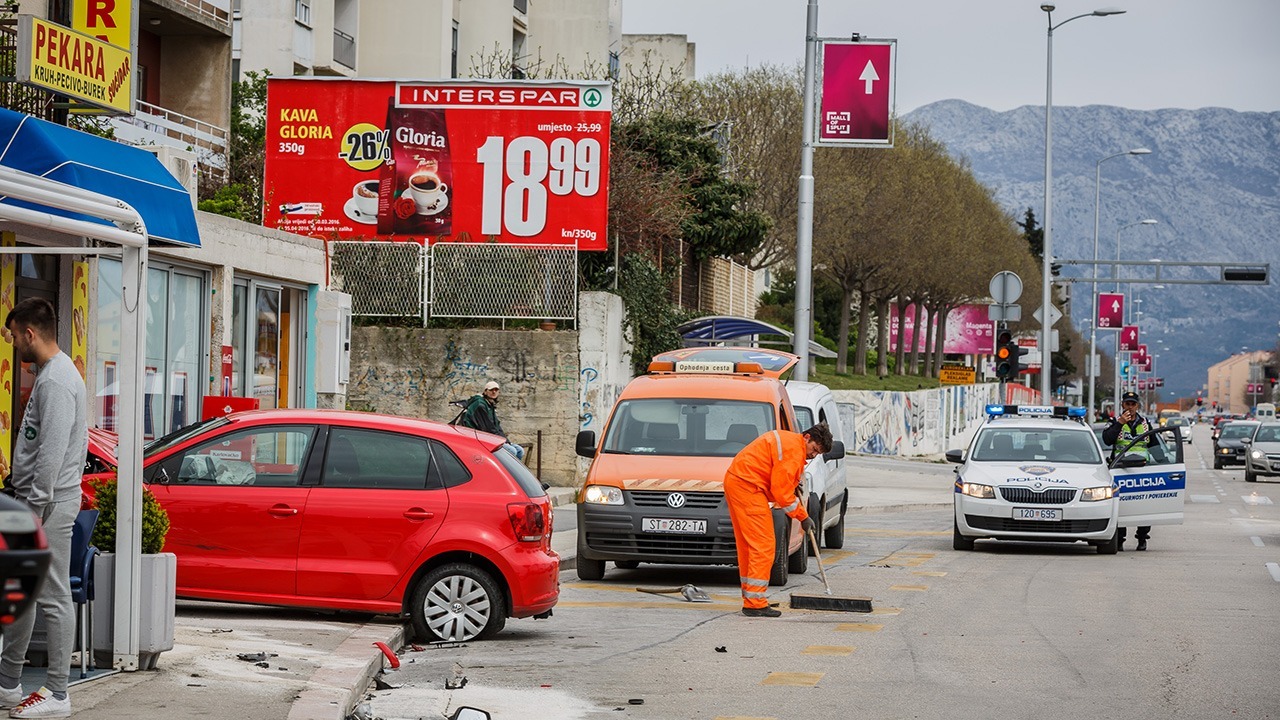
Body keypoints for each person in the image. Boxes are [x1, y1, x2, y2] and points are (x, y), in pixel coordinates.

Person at [0, 298, 87, 718]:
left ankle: (57, 693)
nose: (14, 344)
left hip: (48, 505)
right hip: (40, 501)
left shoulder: (55, 381)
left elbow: (51, 456)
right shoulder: (55, 374)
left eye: (15, 336)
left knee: (52, 596)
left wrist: (32, 511)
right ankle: (8, 684)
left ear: (30, 333)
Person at [723, 423, 833, 617]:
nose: (813, 455)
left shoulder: (789, 441)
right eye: (814, 449)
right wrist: (803, 517)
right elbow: (782, 495)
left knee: (750, 546)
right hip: (749, 488)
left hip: (739, 482)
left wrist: (792, 483)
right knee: (763, 546)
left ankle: (752, 598)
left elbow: (778, 476)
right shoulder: (794, 451)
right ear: (807, 437)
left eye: (818, 453)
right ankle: (755, 603)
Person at [1102, 391, 1152, 552]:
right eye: (1127, 404)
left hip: (1142, 470)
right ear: (1122, 404)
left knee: (1144, 506)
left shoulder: (1146, 423)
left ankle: (1142, 538)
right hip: (1121, 470)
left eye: (1133, 404)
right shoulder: (1114, 422)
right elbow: (1107, 440)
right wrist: (1120, 423)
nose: (1130, 407)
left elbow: (1155, 445)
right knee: (1120, 507)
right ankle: (1120, 540)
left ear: (1138, 406)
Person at [457, 380, 525, 461]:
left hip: (489, 436)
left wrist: (507, 441)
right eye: (491, 390)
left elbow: (497, 426)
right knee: (512, 451)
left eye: (496, 390)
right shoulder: (480, 405)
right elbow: (488, 428)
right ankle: (503, 469)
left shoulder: (490, 405)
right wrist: (502, 441)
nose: (494, 392)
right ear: (485, 392)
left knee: (520, 451)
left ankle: (511, 469)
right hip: (478, 438)